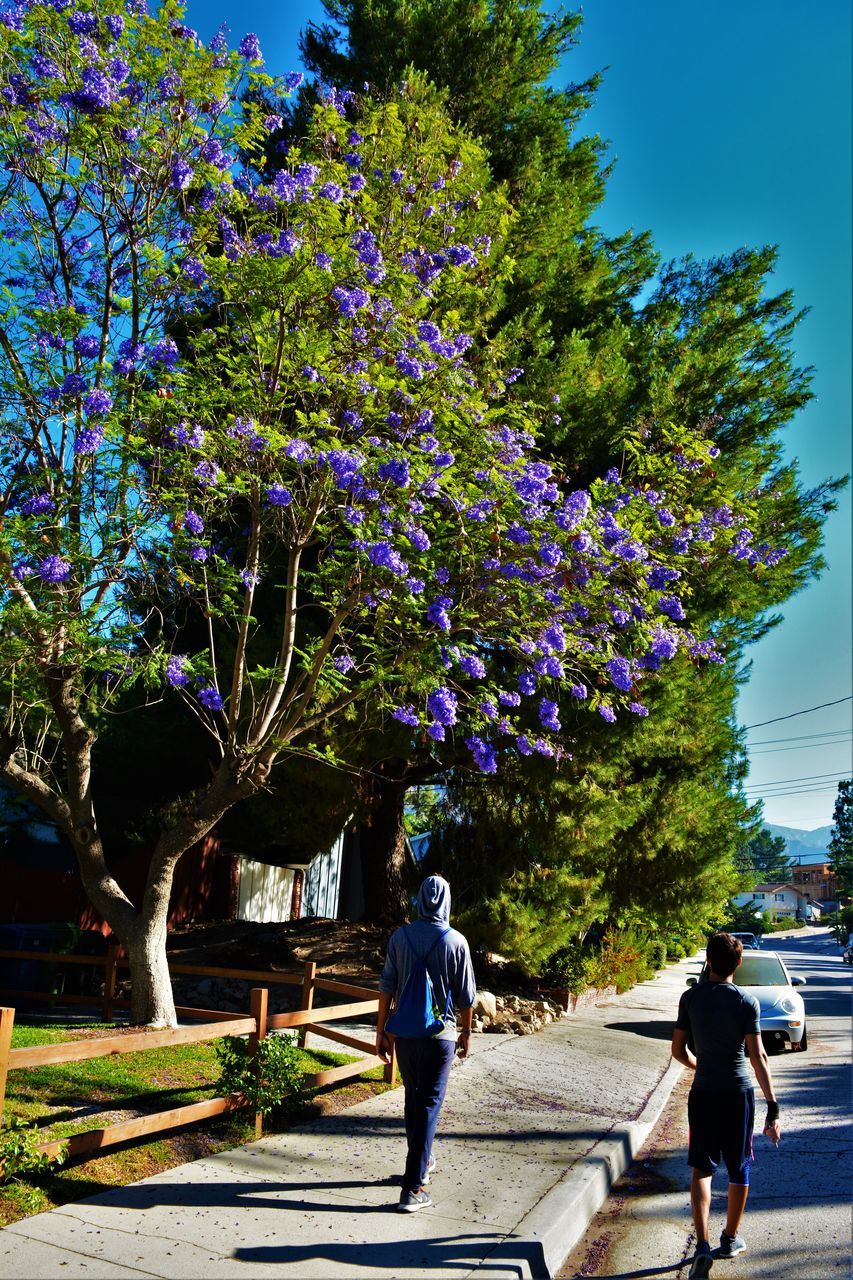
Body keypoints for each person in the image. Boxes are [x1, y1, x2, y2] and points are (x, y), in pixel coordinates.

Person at [671, 931, 781, 1279]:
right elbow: (758, 1056)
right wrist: (772, 1106)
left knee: (701, 1168)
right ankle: (730, 1238)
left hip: (703, 1092)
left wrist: (699, 1066)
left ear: (707, 960)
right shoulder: (746, 1002)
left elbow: (677, 1051)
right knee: (739, 1167)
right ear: (738, 962)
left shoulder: (690, 999)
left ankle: (702, 1246)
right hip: (738, 1095)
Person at [376, 874, 476, 1212]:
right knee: (429, 1105)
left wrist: (380, 1031)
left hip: (404, 1034)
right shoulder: (456, 942)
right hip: (440, 1036)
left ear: (419, 899)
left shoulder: (399, 937)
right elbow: (466, 996)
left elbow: (387, 985)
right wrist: (466, 1032)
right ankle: (413, 1188)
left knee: (413, 1101)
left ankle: (424, 1158)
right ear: (447, 901)